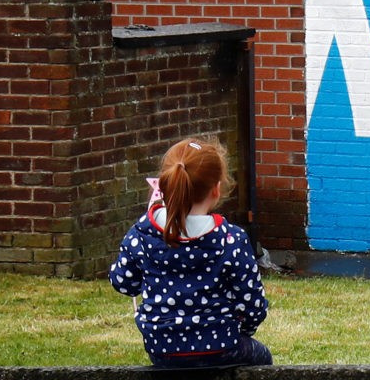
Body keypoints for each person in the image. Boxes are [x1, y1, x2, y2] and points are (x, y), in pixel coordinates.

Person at [109, 138, 271, 368]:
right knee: (262, 357)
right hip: (221, 346)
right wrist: (241, 331)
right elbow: (253, 304)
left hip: (162, 349)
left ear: (164, 185)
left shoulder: (142, 233)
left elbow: (123, 283)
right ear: (216, 189)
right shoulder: (231, 239)